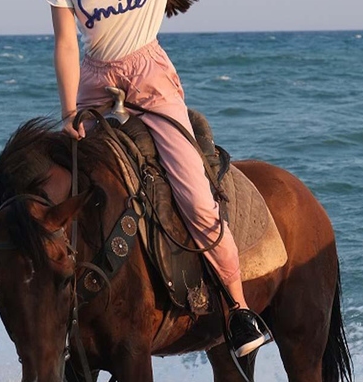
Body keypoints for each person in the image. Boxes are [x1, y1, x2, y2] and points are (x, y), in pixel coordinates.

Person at [47, 0, 266, 356]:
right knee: (65, 181)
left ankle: (238, 310)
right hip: (93, 78)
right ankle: (60, 315)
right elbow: (66, 43)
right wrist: (69, 111)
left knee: (195, 197)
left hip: (148, 73)